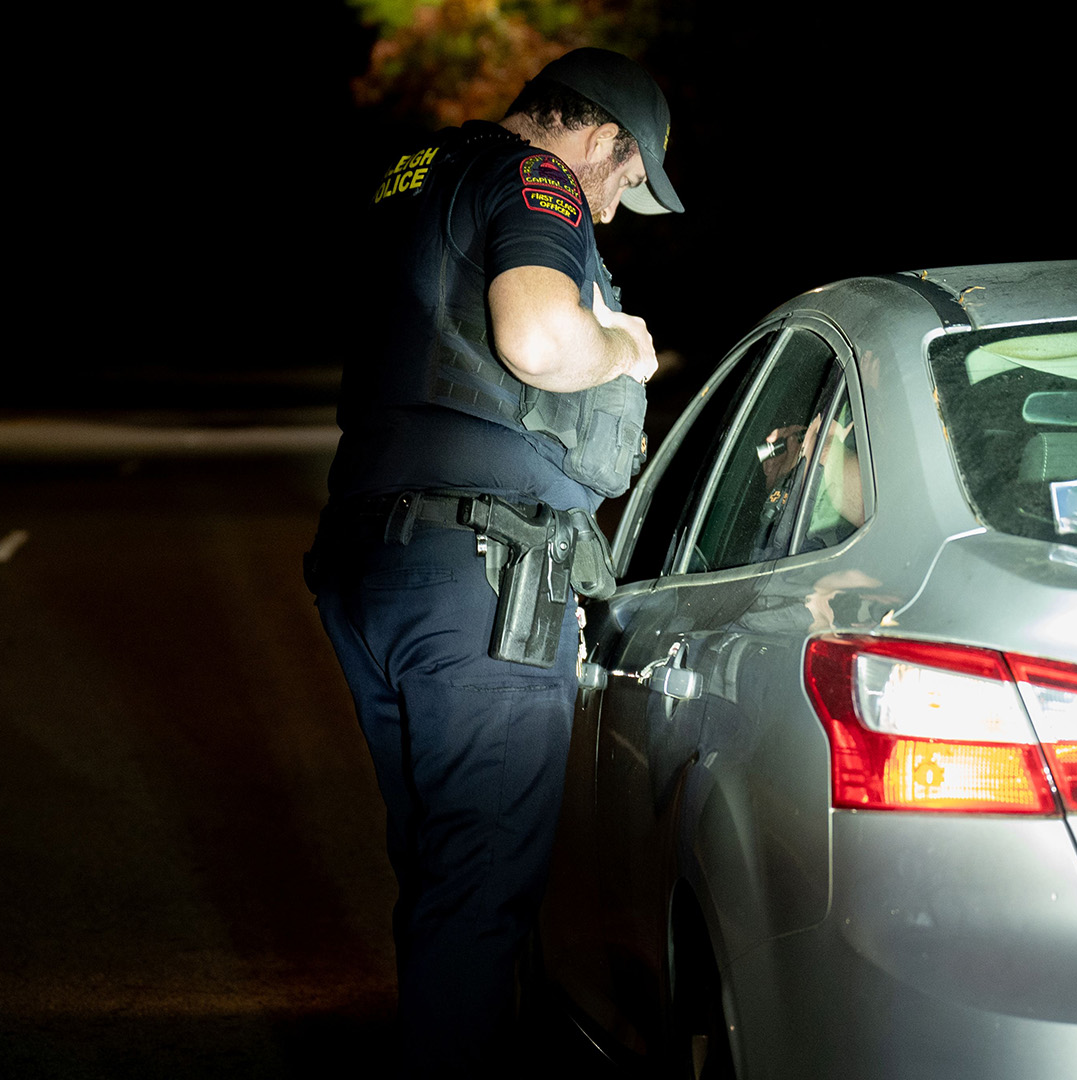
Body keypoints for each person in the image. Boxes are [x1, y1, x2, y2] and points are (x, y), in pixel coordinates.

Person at [307, 47, 683, 1075]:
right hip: (479, 575)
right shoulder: (538, 179)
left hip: (373, 562)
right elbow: (538, 341)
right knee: (479, 884)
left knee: (439, 869)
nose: (609, 212)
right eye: (626, 181)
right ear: (603, 140)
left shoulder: (415, 171)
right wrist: (623, 348)